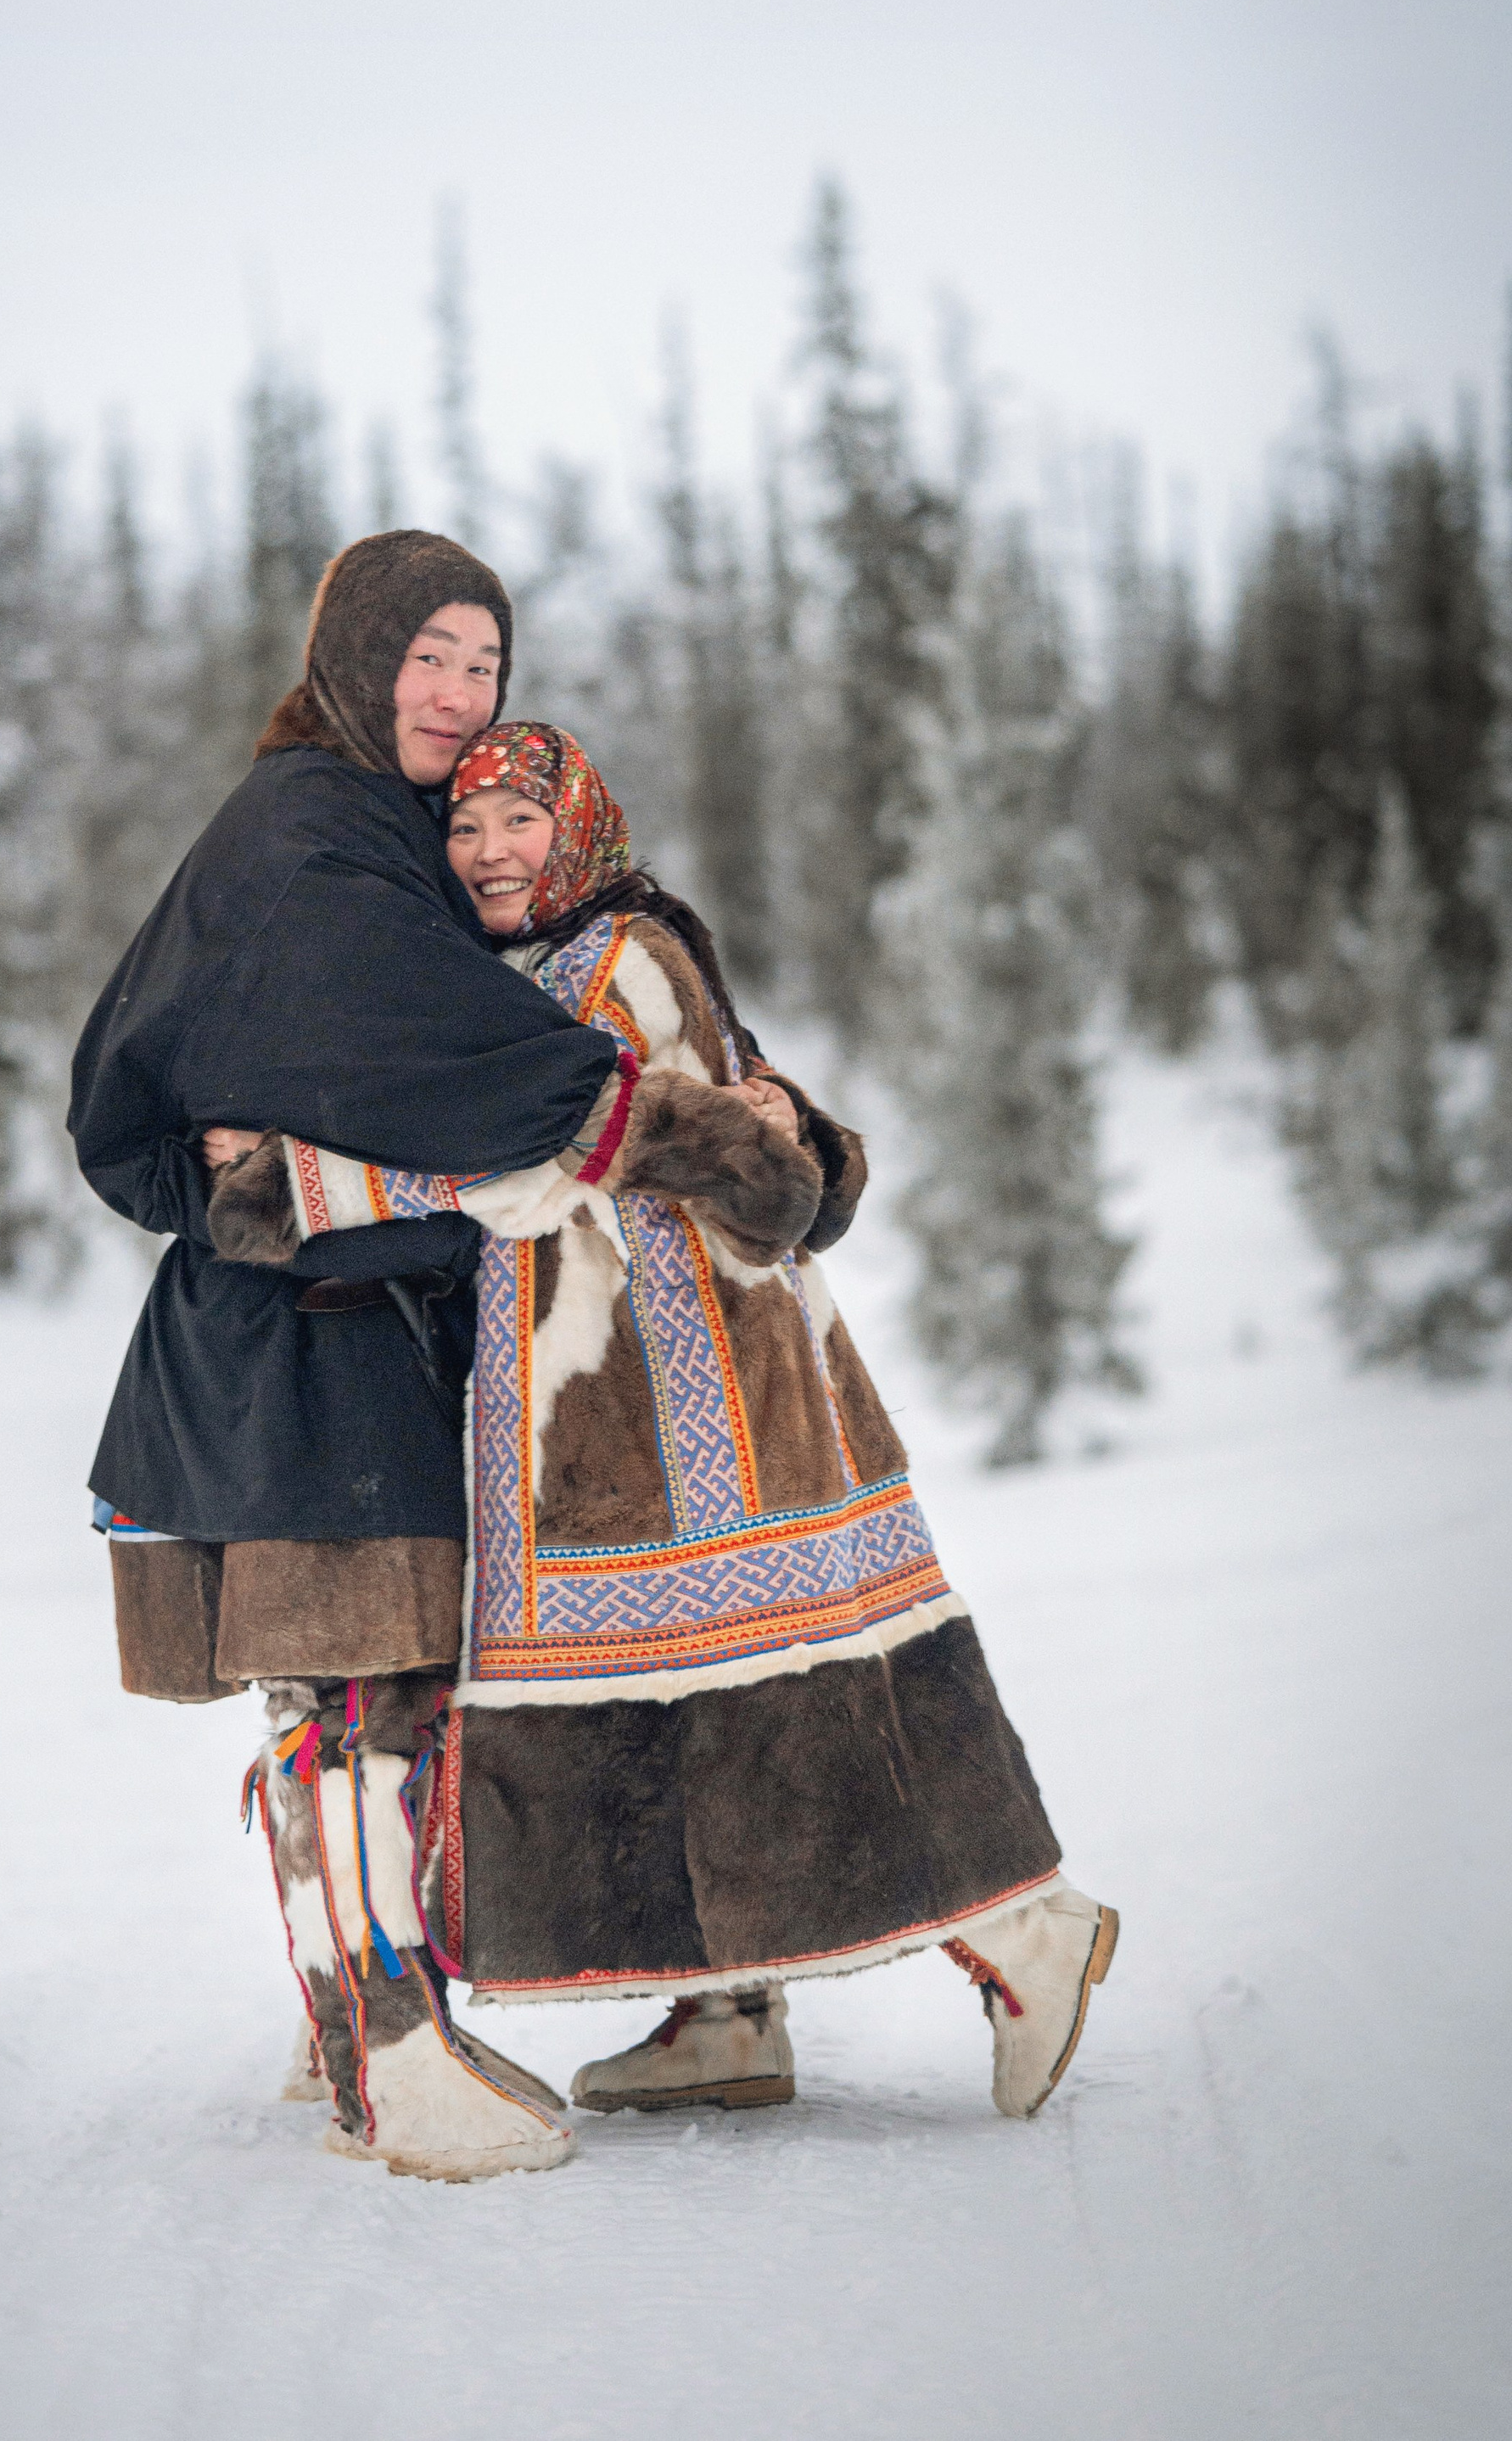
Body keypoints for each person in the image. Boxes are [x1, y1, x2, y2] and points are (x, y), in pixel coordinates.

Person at [207, 722, 1120, 2130]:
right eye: (466, 826)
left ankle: (1024, 1931)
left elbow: (533, 1151)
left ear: (577, 825)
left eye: (519, 820)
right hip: (635, 1390)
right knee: (713, 1700)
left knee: (795, 1690)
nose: (491, 850)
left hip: (704, 1397)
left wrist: (294, 1186)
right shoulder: (558, 959)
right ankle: (729, 2013)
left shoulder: (618, 959)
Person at [70, 532, 636, 2181]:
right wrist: (636, 1100)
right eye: (426, 656)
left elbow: (203, 1089)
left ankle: (354, 2031)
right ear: (357, 656)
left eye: (485, 664)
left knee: (346, 1697)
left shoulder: (371, 832)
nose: (456, 694)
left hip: (324, 1340)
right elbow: (446, 1056)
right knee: (358, 1698)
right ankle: (394, 2068)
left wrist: (248, 1165)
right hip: (303, 1351)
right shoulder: (314, 835)